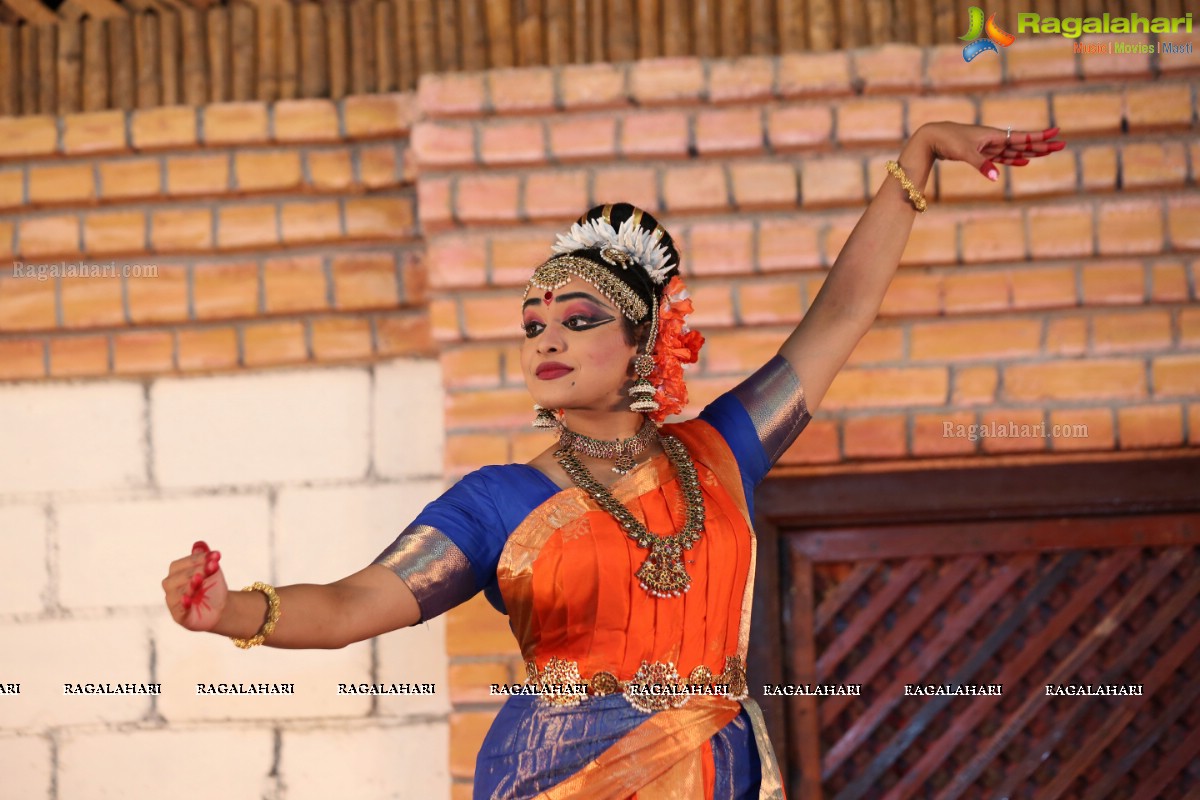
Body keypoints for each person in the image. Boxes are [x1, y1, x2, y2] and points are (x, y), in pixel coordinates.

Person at [163, 122, 1064, 797]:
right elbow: (357, 603)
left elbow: (839, 317)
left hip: (717, 768)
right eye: (533, 326)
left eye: (579, 320)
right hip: (561, 778)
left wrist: (919, 158)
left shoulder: (720, 452)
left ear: (646, 344)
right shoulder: (498, 502)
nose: (546, 339)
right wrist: (232, 610)